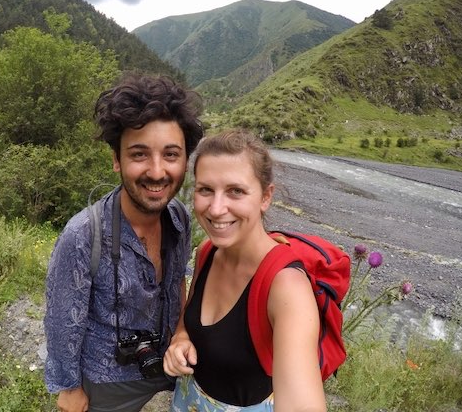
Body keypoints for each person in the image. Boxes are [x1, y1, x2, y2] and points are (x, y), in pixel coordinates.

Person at [43, 74, 204, 412]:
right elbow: (61, 321)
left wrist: (182, 333)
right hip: (107, 379)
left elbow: (177, 282)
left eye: (171, 154)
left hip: (170, 366)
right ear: (117, 160)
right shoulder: (83, 234)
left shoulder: (179, 217)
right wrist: (69, 389)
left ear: (185, 160)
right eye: (139, 154)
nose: (157, 171)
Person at [163, 129, 326, 412]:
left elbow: (302, 402)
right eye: (205, 190)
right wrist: (181, 339)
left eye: (235, 191)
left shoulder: (287, 287)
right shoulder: (208, 252)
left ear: (265, 197)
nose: (216, 209)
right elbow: (188, 320)